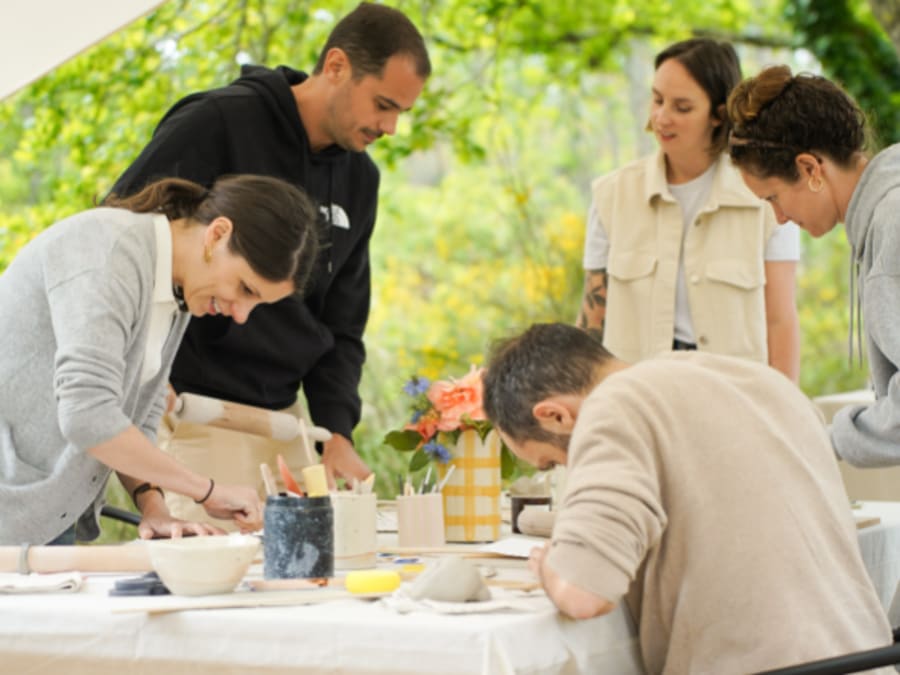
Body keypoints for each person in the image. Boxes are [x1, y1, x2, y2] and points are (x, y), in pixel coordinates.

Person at [109, 2, 431, 522]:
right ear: (336, 66)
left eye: (401, 113)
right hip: (191, 413)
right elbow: (121, 236)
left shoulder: (361, 180)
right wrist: (141, 362)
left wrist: (338, 432)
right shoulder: (217, 122)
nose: (390, 127)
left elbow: (343, 322)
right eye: (383, 105)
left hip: (287, 425)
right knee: (209, 570)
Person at [482, 323, 891, 674]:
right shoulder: (764, 382)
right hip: (865, 661)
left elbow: (584, 595)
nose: (568, 472)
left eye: (554, 462)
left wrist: (550, 568)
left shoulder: (615, 406)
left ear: (554, 415)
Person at [0, 174, 320, 545]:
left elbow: (138, 417)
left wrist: (154, 506)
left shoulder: (175, 289)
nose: (241, 314)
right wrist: (206, 490)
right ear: (217, 234)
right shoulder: (109, 252)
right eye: (245, 288)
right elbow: (87, 415)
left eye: (257, 303)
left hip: (40, 516)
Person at [578, 38, 800, 382]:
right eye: (657, 100)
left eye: (682, 107)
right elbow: (593, 320)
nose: (661, 118)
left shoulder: (767, 199)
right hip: (637, 393)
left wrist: (785, 404)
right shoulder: (611, 195)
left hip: (732, 392)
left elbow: (780, 320)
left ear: (719, 115)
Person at [726, 66, 900, 468]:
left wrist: (821, 441)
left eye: (773, 197)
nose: (779, 218)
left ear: (809, 168)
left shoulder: (891, 225)